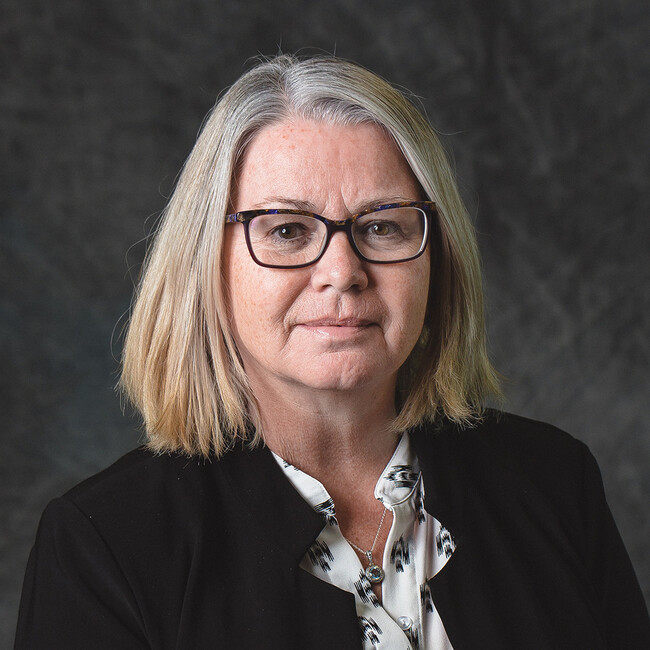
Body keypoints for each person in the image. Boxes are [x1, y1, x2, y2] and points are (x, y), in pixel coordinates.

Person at [15, 54, 649, 649]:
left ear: (436, 261)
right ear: (207, 266)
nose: (342, 271)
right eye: (289, 230)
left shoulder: (553, 482)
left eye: (382, 226)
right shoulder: (105, 543)